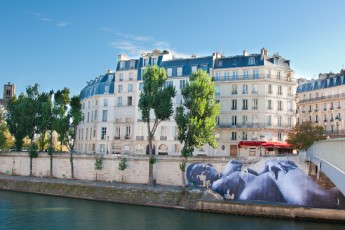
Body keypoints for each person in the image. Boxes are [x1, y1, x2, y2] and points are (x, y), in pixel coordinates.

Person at [186, 160, 345, 209]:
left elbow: (255, 174)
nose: (204, 169)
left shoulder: (228, 169)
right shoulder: (215, 187)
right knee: (312, 202)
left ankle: (337, 193)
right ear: (197, 181)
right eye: (199, 171)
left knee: (311, 201)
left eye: (204, 166)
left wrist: (268, 163)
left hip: (277, 175)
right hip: (274, 187)